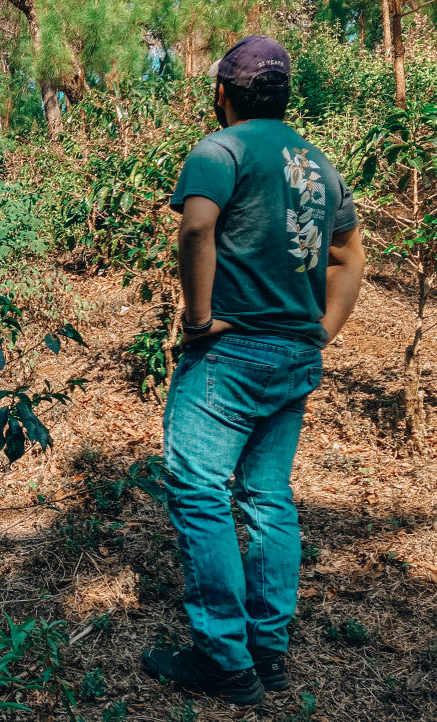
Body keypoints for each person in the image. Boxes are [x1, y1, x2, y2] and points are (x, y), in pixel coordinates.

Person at [141, 36, 365, 705]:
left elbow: (196, 227)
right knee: (268, 499)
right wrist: (320, 331)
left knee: (198, 488)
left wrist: (197, 318)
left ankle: (223, 660)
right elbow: (351, 257)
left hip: (231, 355)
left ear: (223, 93)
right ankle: (268, 654)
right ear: (285, 94)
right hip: (294, 356)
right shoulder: (318, 164)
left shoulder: (220, 150)